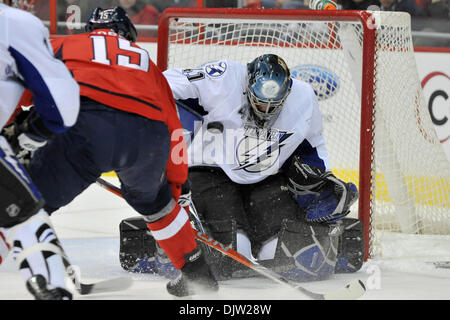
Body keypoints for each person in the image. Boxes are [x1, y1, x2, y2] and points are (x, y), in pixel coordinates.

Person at [17, 6, 217, 298]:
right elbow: (174, 129)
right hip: (146, 137)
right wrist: (176, 185)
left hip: (86, 128)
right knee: (157, 206)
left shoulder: (64, 43)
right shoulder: (147, 63)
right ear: (127, 34)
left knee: (25, 204)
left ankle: (40, 262)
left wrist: (15, 129)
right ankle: (198, 276)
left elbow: (22, 88)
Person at [119, 53, 364, 282]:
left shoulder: (304, 97)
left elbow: (313, 145)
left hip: (268, 179)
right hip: (208, 172)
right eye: (260, 103)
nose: (266, 111)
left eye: (273, 105)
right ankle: (166, 237)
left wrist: (320, 178)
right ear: (247, 86)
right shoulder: (222, 78)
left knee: (288, 255)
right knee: (234, 252)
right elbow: (163, 83)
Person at [0, 0, 80, 299]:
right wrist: (30, 133)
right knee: (26, 222)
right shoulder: (13, 22)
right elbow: (62, 108)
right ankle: (54, 289)